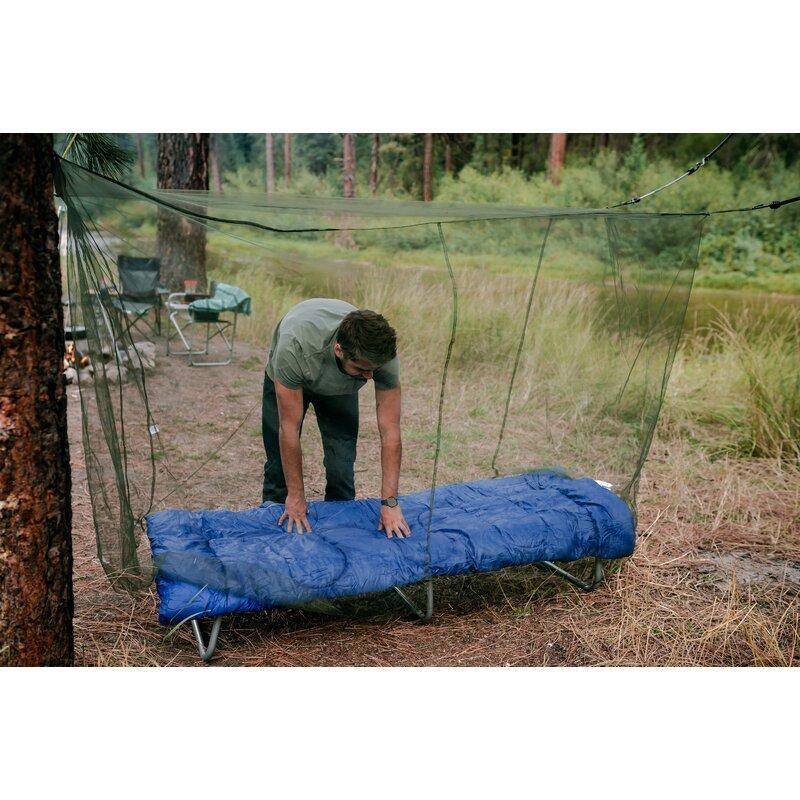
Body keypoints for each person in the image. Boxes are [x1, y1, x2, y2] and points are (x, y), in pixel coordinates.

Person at [262, 298, 411, 539]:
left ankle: (340, 538)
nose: (370, 376)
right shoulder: (295, 346)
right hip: (296, 369)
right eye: (362, 370)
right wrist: (297, 495)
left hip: (340, 386)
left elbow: (390, 431)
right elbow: (289, 429)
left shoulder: (380, 356)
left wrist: (390, 503)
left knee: (341, 466)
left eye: (374, 369)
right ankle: (274, 531)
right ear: (339, 349)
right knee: (278, 467)